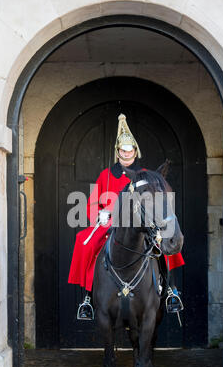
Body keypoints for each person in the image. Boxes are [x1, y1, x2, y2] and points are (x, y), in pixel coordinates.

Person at [68, 113, 184, 320]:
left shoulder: (147, 174)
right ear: (117, 152)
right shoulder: (106, 174)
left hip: (143, 221)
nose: (127, 154)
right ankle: (87, 298)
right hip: (111, 222)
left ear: (135, 151)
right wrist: (99, 214)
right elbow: (94, 202)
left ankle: (170, 291)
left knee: (167, 241)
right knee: (84, 243)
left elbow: (157, 199)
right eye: (123, 150)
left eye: (130, 150)